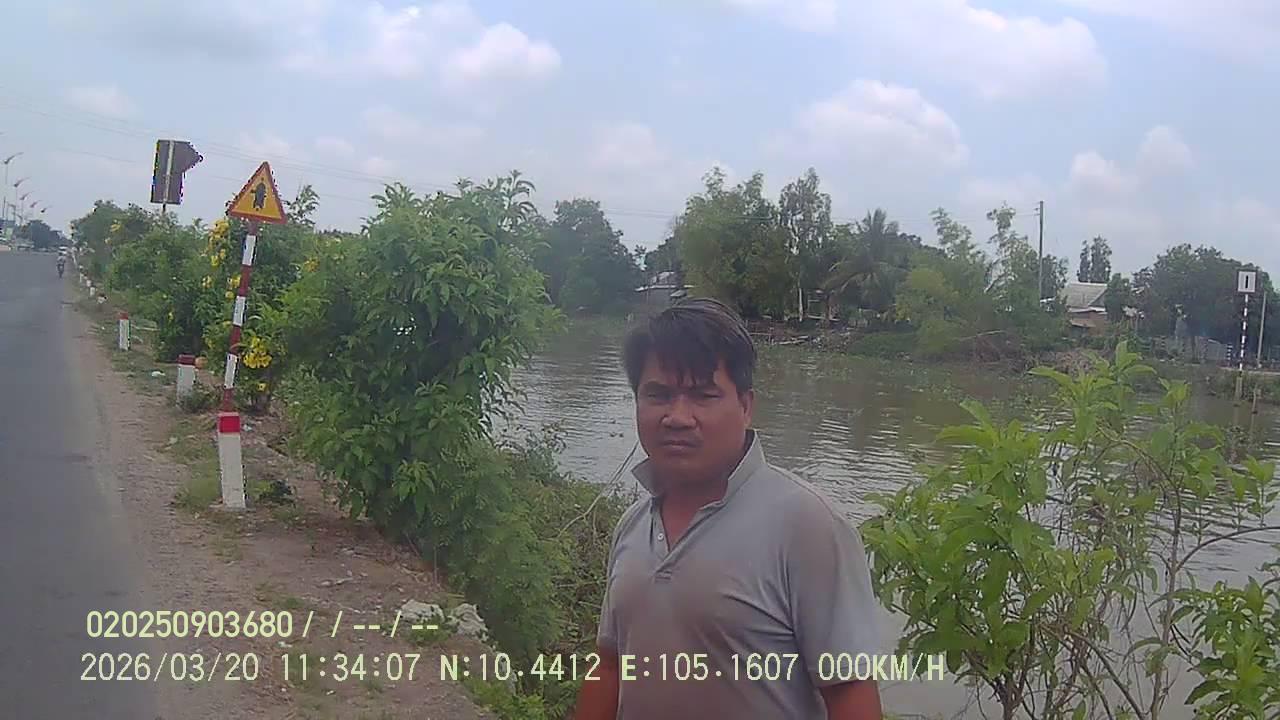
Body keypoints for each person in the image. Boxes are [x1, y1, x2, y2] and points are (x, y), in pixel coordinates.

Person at [575, 298, 886, 720]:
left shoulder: (807, 524)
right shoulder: (634, 524)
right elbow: (610, 665)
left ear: (745, 405)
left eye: (703, 395)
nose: (677, 417)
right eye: (658, 395)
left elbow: (850, 690)